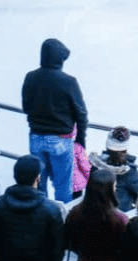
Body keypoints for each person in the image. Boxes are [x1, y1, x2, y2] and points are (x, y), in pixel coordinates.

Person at [21, 37, 88, 204]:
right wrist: (80, 140)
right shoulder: (69, 82)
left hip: (36, 137)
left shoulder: (30, 77)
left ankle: (40, 218)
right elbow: (81, 114)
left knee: (38, 185)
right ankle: (61, 222)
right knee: (63, 187)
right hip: (61, 141)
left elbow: (26, 107)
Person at [65, 168, 128, 261]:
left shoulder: (75, 213)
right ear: (110, 191)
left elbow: (68, 242)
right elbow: (127, 251)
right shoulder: (119, 220)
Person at [89, 126, 138, 213]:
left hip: (96, 212)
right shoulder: (130, 172)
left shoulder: (96, 164)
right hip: (120, 215)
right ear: (125, 148)